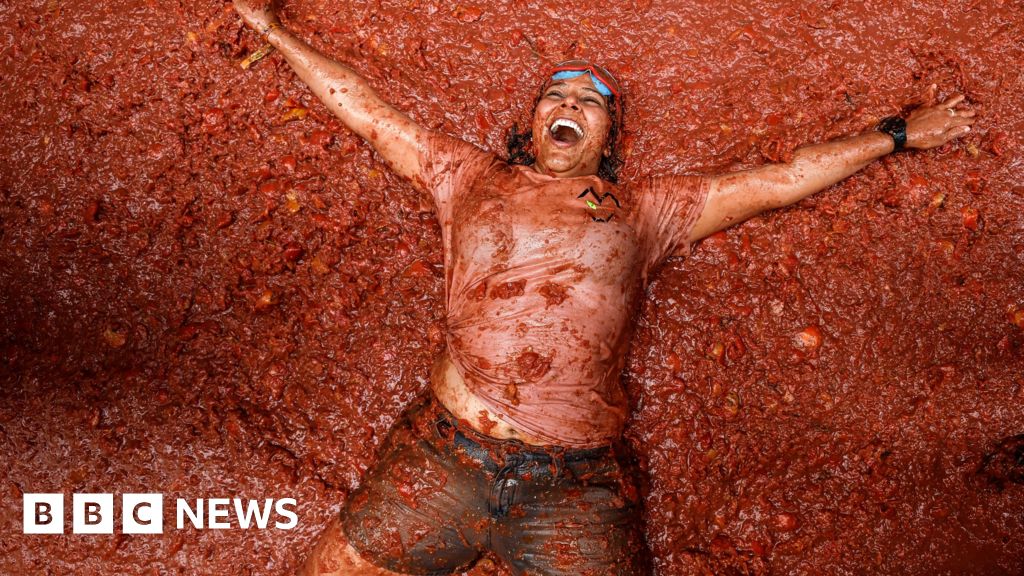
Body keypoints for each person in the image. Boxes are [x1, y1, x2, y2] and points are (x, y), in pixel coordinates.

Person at [232, 2, 977, 575]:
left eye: (590, 103)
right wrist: (270, 26)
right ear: (531, 124)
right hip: (442, 460)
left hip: (574, 488)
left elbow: (782, 179)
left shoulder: (650, 209)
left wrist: (898, 134)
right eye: (556, 96)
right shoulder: (467, 176)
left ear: (607, 138)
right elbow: (366, 112)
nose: (570, 106)